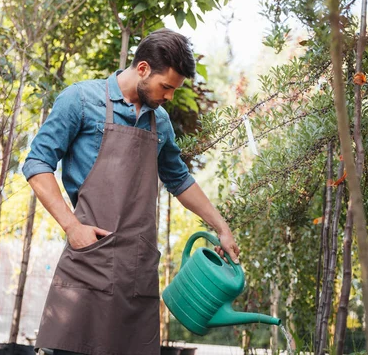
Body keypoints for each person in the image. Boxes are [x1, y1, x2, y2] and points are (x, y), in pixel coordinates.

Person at [23, 28, 240, 355]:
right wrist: (71, 227)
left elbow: (180, 181)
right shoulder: (81, 100)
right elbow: (37, 164)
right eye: (166, 86)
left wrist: (222, 228)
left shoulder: (160, 122)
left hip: (136, 270)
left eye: (174, 90)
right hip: (89, 259)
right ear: (142, 69)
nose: (169, 96)